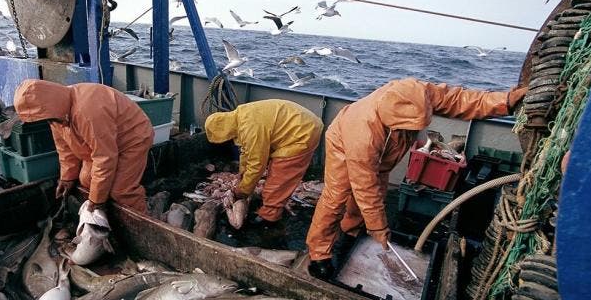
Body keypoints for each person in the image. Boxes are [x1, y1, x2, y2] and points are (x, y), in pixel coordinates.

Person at [305, 78, 527, 279]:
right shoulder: (362, 132)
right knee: (337, 196)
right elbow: (364, 185)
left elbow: (459, 99)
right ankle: (319, 253)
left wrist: (505, 101)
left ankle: (350, 231)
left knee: (377, 194)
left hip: (384, 153)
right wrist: (379, 227)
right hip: (345, 145)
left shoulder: (420, 94)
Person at [13, 79, 153, 213]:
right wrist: (67, 178)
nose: (46, 121)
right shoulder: (55, 116)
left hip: (132, 140)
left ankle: (146, 224)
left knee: (121, 191)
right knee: (86, 180)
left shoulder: (88, 112)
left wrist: (97, 201)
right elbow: (65, 149)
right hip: (101, 146)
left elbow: (105, 157)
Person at [204, 99, 324, 229]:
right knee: (271, 174)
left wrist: (243, 191)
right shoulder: (240, 115)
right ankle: (270, 210)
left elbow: (257, 165)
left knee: (279, 179)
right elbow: (247, 151)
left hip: (302, 133)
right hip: (298, 124)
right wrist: (242, 174)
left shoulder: (251, 129)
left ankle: (269, 219)